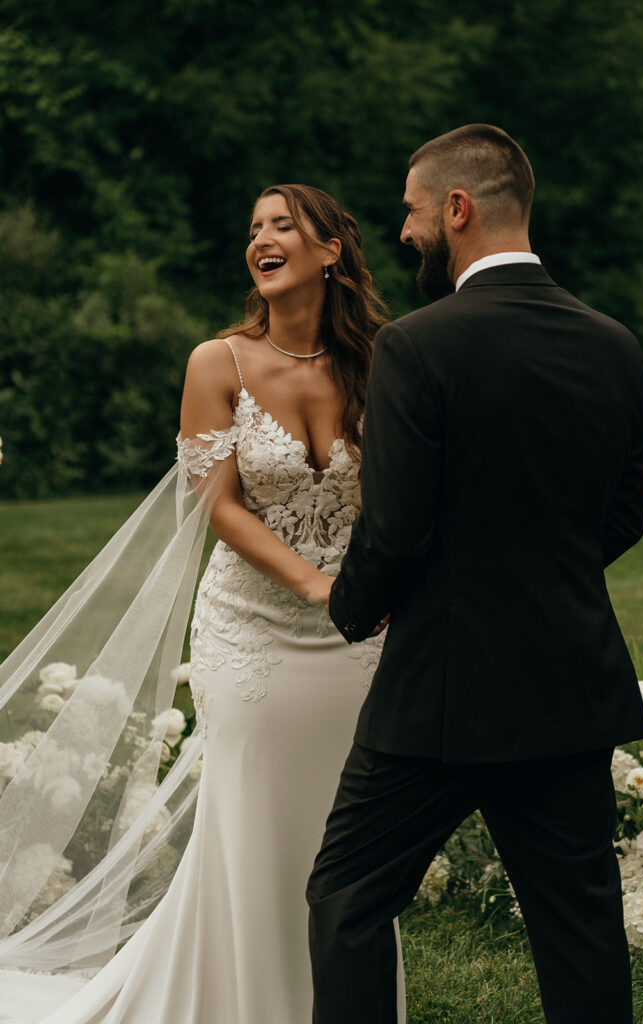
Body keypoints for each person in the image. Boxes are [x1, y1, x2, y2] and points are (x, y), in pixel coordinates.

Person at [0, 185, 405, 1023]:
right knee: (253, 827)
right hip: (253, 632)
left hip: (358, 638)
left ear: (330, 252)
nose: (261, 238)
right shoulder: (214, 362)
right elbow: (216, 505)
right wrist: (314, 584)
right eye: (253, 227)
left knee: (347, 835)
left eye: (282, 225)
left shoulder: (380, 359)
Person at [306, 124, 643, 1024]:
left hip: (437, 698)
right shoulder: (613, 343)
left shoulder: (418, 347)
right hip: (564, 690)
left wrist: (353, 610)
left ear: (458, 209)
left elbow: (394, 530)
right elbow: (621, 514)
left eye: (414, 212)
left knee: (346, 900)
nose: (405, 230)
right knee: (580, 927)